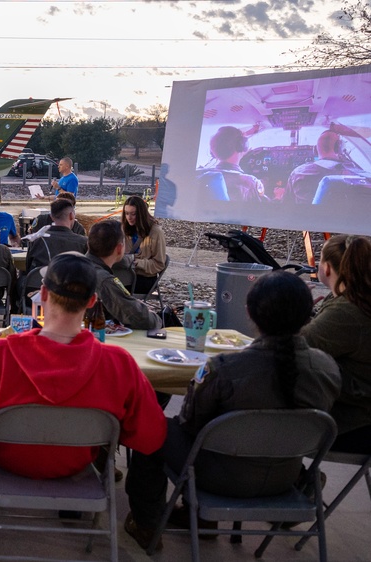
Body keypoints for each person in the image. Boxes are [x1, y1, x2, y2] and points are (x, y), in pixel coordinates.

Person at [124, 271, 341, 550]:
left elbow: (190, 423)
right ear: (309, 315)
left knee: (151, 429)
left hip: (218, 478)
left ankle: (146, 523)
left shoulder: (225, 369)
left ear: (250, 312)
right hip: (284, 478)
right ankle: (201, 521)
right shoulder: (326, 369)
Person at [0, 252, 166, 514]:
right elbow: (151, 436)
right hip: (75, 465)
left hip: (5, 462)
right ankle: (73, 507)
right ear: (92, 301)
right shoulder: (120, 364)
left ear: (43, 294)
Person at [302, 235, 371, 453]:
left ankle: (295, 480)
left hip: (353, 422)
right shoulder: (357, 299)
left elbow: (294, 347)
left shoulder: (347, 311)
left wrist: (293, 309)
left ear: (327, 269)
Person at [85, 220, 162, 330]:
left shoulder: (76, 263)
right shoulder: (104, 281)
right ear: (120, 248)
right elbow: (140, 318)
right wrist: (157, 319)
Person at [288, 127, 367, 205]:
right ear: (339, 148)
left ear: (315, 150)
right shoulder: (350, 174)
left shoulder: (297, 173)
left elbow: (287, 204)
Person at [114, 196, 166, 293]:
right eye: (127, 213)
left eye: (133, 214)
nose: (129, 217)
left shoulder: (156, 232)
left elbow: (159, 264)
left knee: (113, 288)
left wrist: (138, 263)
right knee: (104, 282)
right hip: (126, 273)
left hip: (145, 278)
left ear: (141, 214)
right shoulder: (124, 229)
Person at [200, 125, 266, 202]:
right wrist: (278, 197)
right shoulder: (250, 182)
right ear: (242, 146)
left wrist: (249, 132)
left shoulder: (202, 174)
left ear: (213, 151)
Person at [23, 198, 88, 274]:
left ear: (51, 216)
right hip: (71, 283)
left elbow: (28, 268)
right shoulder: (83, 242)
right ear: (71, 215)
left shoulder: (36, 240)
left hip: (39, 283)